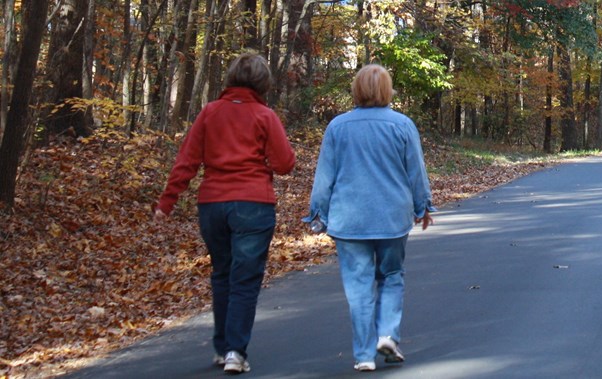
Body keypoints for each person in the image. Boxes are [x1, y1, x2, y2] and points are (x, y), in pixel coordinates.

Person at [154, 52, 295, 374]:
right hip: (253, 204)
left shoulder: (210, 112)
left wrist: (167, 203)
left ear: (231, 78)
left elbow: (187, 160)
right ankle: (235, 352)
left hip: (213, 205)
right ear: (263, 83)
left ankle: (222, 349)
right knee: (244, 280)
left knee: (221, 274)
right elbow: (285, 164)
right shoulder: (264, 115)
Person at [304, 64, 435, 372]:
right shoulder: (402, 125)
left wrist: (317, 213)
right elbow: (416, 170)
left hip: (349, 221)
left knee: (358, 286)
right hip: (391, 217)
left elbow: (325, 176)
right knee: (391, 276)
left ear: (356, 90)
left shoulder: (338, 127)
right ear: (387, 90)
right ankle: (387, 334)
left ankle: (364, 356)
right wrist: (423, 206)